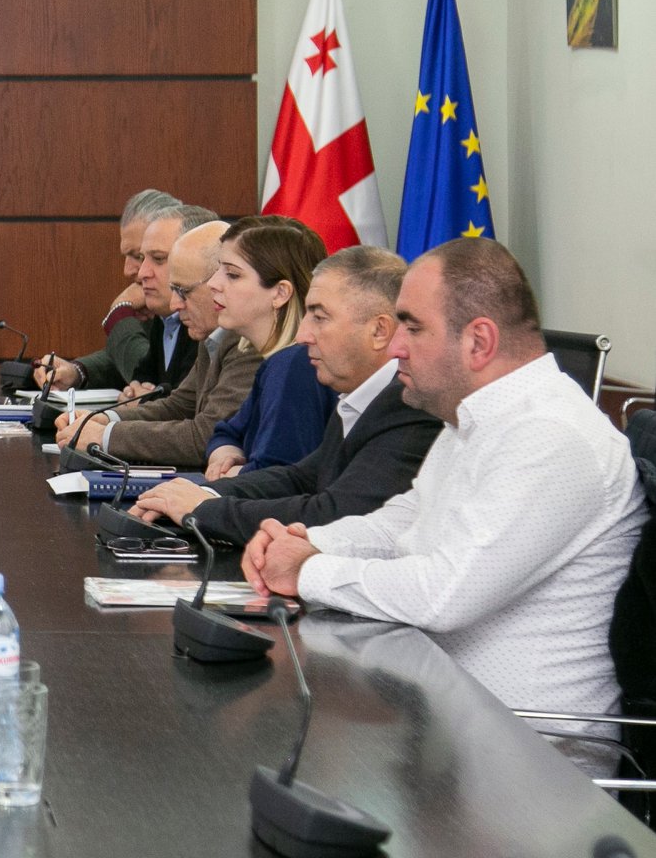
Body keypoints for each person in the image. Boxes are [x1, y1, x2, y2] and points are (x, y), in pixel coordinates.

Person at [243, 238, 645, 772]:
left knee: (271, 749)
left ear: (478, 341)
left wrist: (308, 570)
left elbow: (444, 592)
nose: (394, 347)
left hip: (529, 766)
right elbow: (403, 521)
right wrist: (307, 540)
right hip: (441, 731)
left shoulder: (552, 435)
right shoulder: (474, 419)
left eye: (412, 327)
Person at [131, 245, 442, 543]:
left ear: (379, 331)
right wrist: (203, 493)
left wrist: (203, 510)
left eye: (320, 317)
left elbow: (336, 515)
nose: (303, 335)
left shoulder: (408, 405)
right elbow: (299, 478)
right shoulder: (357, 395)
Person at [55, 220, 259, 469]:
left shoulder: (248, 343)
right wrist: (103, 419)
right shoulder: (216, 336)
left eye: (184, 291)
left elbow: (204, 435)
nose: (175, 304)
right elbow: (178, 405)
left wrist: (105, 436)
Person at [198, 216, 336, 479]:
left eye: (232, 274)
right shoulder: (277, 361)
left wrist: (235, 474)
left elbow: (275, 476)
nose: (213, 283)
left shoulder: (296, 365)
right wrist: (225, 455)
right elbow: (225, 432)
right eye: (218, 270)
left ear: (280, 293)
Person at [36, 196, 209, 398]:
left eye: (156, 258)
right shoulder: (163, 314)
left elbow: (168, 395)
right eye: (142, 257)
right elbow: (140, 371)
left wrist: (120, 313)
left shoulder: (204, 323)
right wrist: (78, 372)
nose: (136, 271)